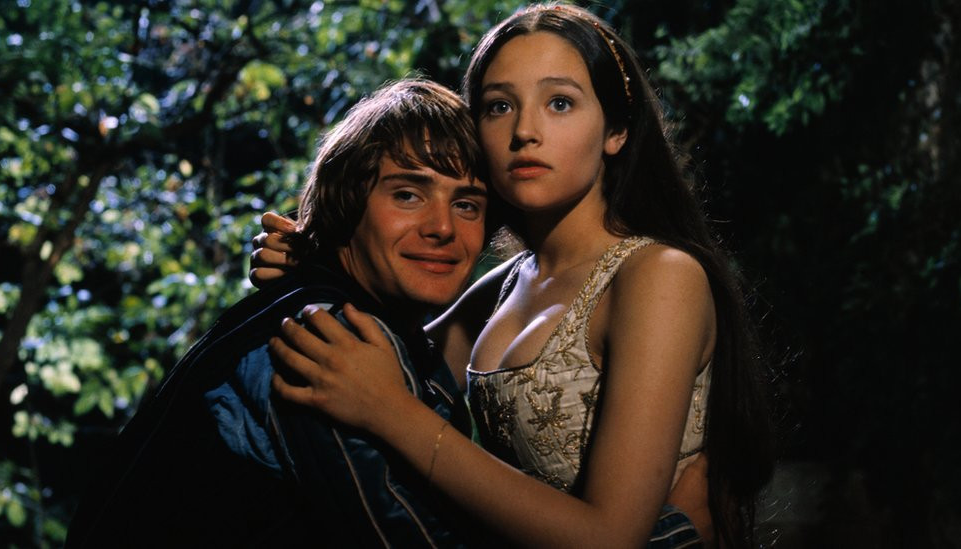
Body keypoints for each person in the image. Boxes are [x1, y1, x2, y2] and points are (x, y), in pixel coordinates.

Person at [67, 77, 705, 548]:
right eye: (408, 194)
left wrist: (306, 250)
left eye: (467, 204)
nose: (441, 228)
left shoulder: (364, 318)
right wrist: (681, 532)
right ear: (347, 202)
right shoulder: (328, 341)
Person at [258, 3, 773, 548]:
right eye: (499, 106)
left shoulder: (658, 276)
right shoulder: (510, 283)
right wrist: (312, 263)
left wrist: (392, 415)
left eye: (559, 103)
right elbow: (382, 359)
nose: (525, 131)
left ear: (617, 129)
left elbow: (610, 538)